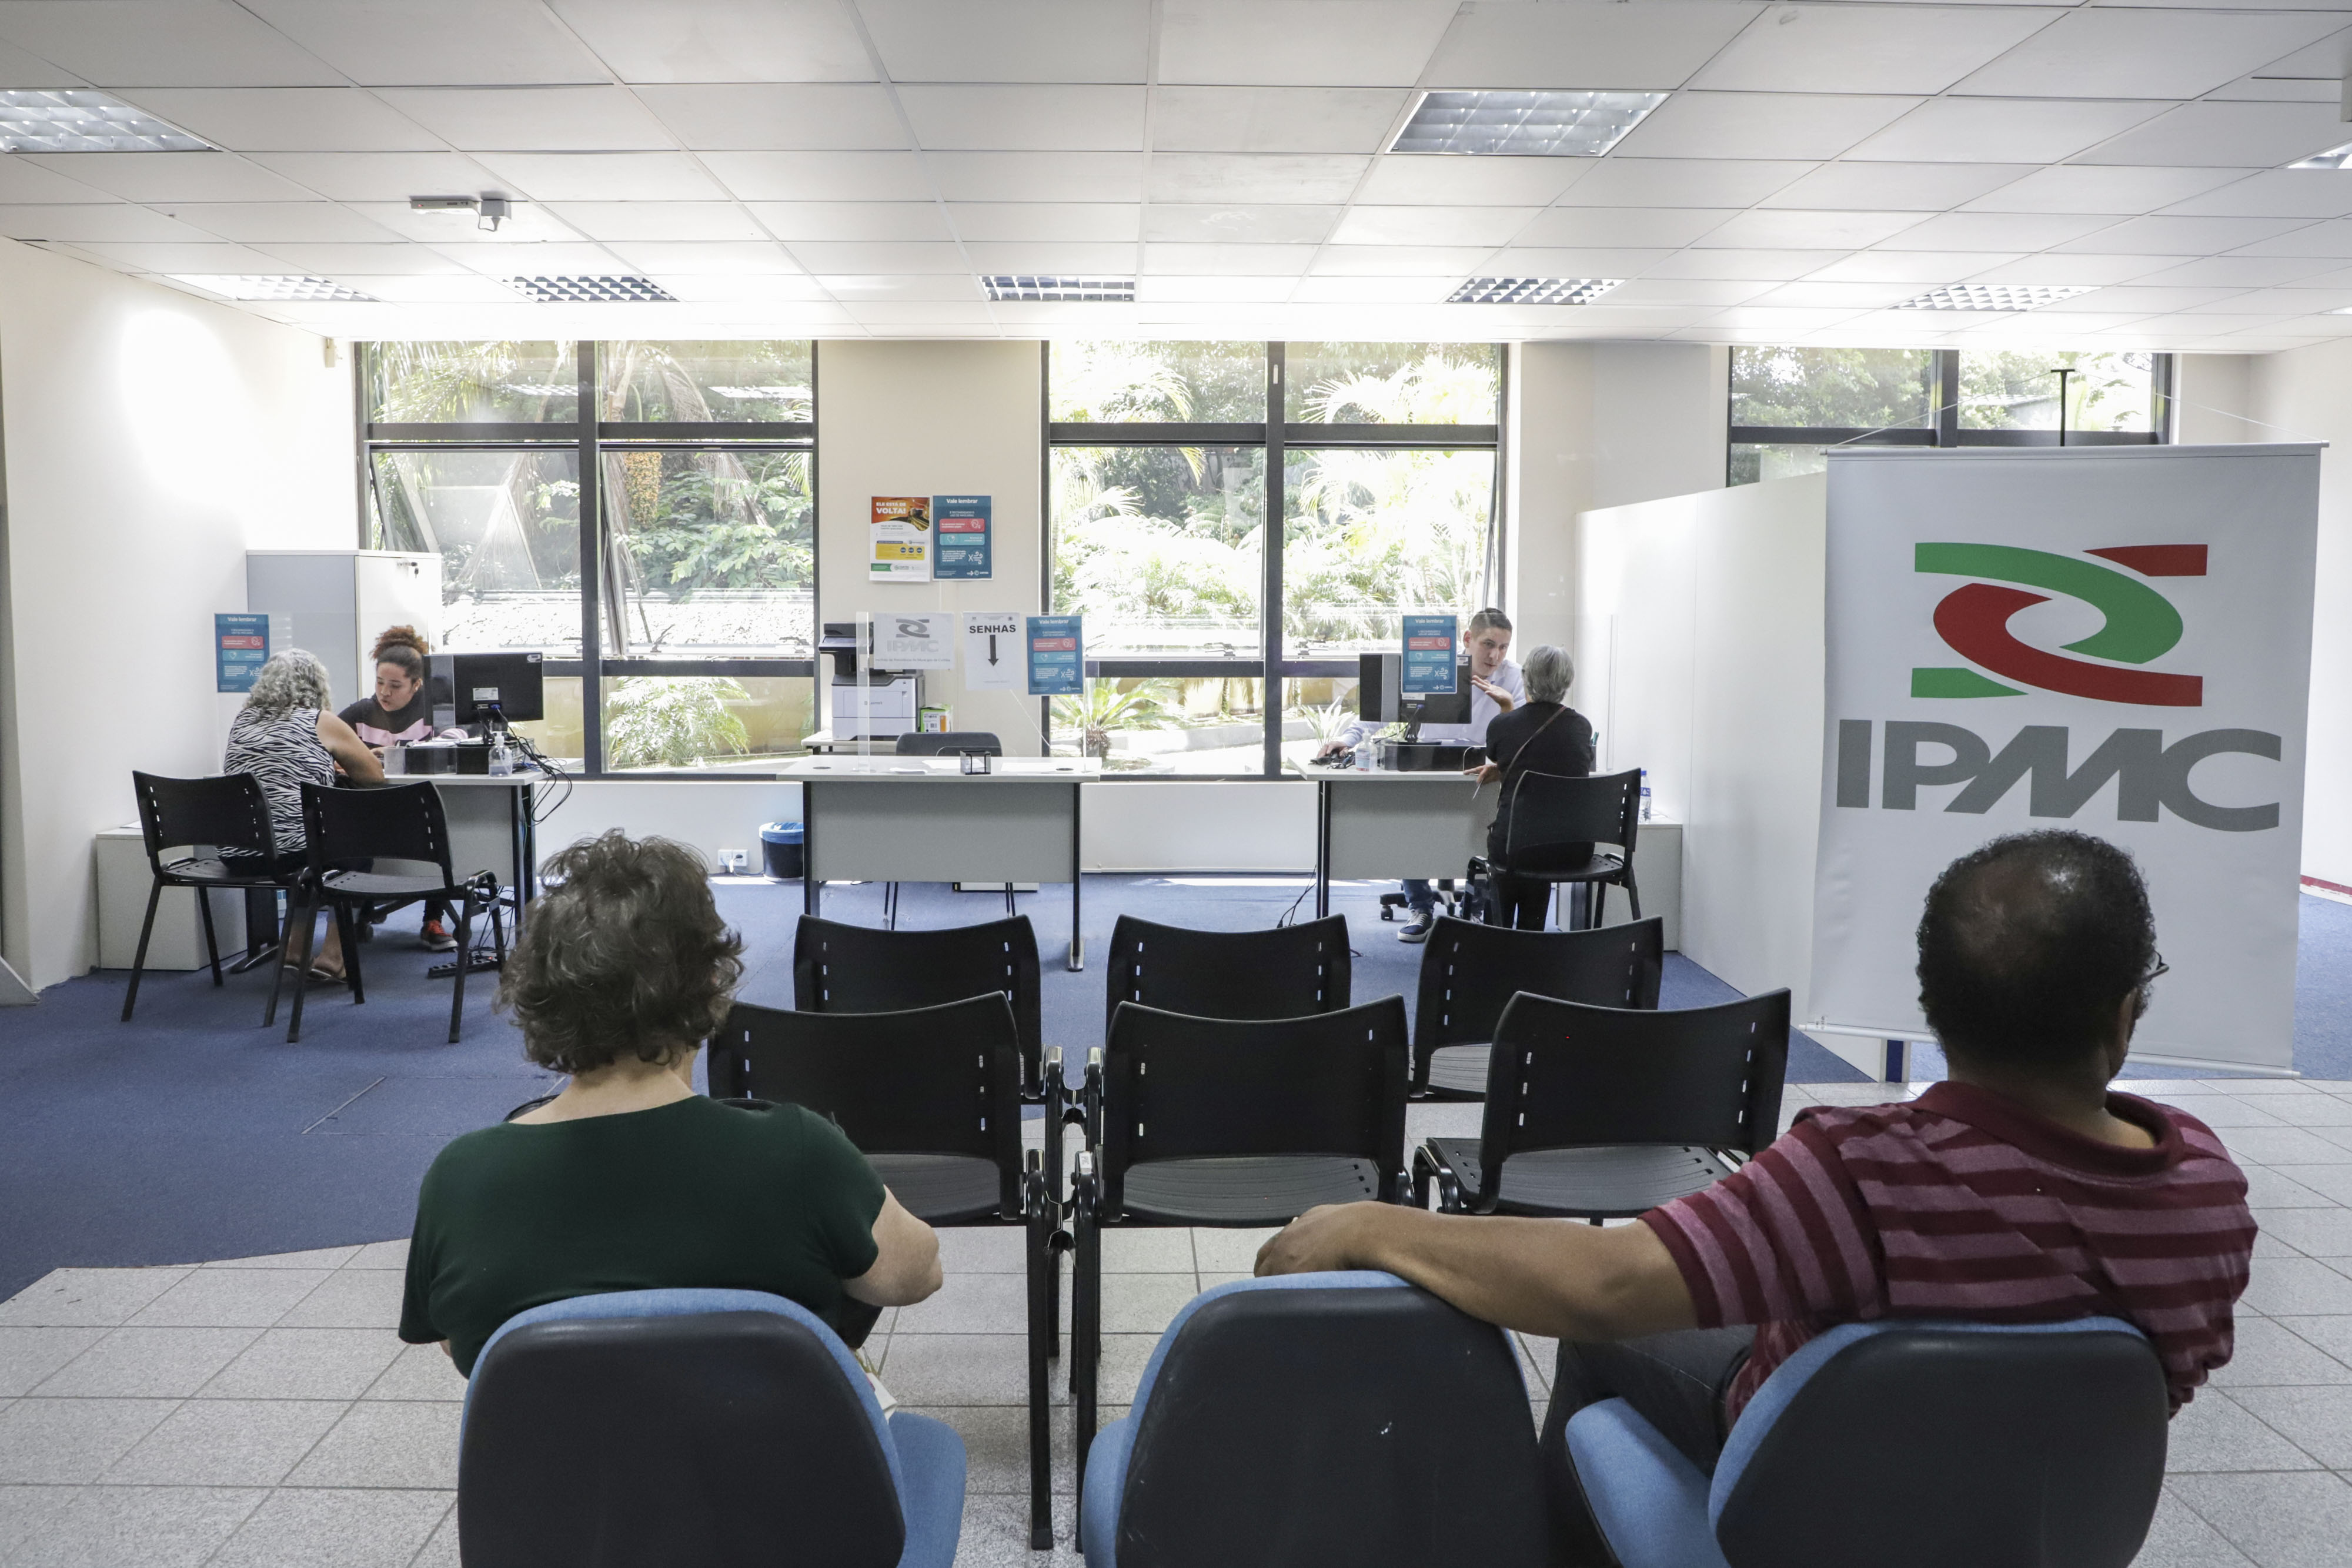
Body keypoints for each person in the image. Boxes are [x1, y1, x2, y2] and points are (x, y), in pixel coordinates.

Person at [1256, 830, 2253, 1562]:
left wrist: (1374, 1220)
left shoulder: (1862, 1172)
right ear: (2125, 1016)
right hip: (2046, 1515)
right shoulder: (2207, 1188)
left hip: (1823, 1499)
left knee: (1604, 1336)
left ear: (1936, 1010)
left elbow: (1602, 1285)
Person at [398, 830, 942, 1379]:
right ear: (710, 983)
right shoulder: (795, 1153)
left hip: (562, 1465)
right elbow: (914, 1275)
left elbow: (461, 1342)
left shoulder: (462, 1179)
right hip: (767, 1462)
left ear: (540, 991)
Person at [1317, 607, 1524, 942]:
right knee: (1412, 830)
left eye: (1503, 647)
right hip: (1428, 763)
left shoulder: (1513, 676)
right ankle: (1421, 906)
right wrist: (1348, 739)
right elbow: (1383, 710)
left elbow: (1523, 726)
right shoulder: (1436, 664)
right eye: (1488, 644)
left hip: (1483, 770)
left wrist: (1507, 710)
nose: (1495, 655)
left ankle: (1476, 912)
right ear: (1468, 639)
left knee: (1485, 839)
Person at [223, 648, 383, 982]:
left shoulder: (242, 721)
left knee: (306, 847)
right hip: (296, 854)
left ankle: (294, 950)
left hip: (240, 855)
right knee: (351, 850)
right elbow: (373, 777)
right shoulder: (320, 720)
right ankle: (333, 956)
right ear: (317, 685)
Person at [338, 626, 455, 951]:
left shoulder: (433, 712)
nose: (384, 693)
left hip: (418, 813)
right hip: (368, 813)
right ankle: (359, 914)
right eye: (379, 683)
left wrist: (391, 753)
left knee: (441, 842)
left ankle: (432, 919)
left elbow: (457, 740)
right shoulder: (361, 713)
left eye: (395, 685)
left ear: (417, 685)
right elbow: (322, 741)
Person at [1472, 644, 1594, 930]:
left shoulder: (1502, 725)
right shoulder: (1581, 728)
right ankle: (1532, 941)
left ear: (1526, 678)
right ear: (1568, 683)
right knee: (1540, 844)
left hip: (1516, 847)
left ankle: (1498, 941)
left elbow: (1500, 752)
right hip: (1571, 851)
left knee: (1519, 848)